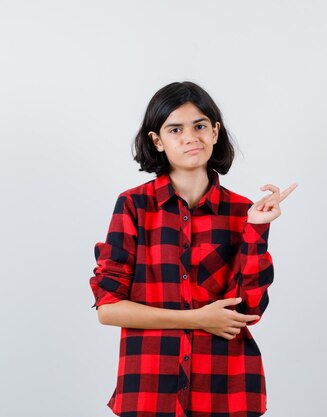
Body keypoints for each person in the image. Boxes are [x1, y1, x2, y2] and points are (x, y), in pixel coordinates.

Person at [89, 81, 297, 417]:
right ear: (157, 140)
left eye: (200, 125)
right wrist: (197, 319)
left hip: (227, 390)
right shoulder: (134, 206)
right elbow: (108, 309)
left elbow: (250, 310)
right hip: (150, 390)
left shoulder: (241, 211)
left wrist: (257, 227)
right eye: (175, 129)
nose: (190, 137)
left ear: (215, 132)